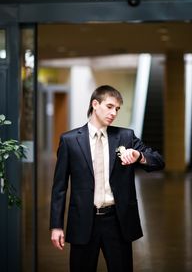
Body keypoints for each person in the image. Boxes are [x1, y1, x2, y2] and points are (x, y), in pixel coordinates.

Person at [50, 85, 165, 272]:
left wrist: (139, 155)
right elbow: (59, 188)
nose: (114, 113)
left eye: (117, 109)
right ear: (95, 104)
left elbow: (158, 161)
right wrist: (56, 226)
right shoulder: (70, 140)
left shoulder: (125, 137)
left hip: (117, 222)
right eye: (110, 106)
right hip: (83, 222)